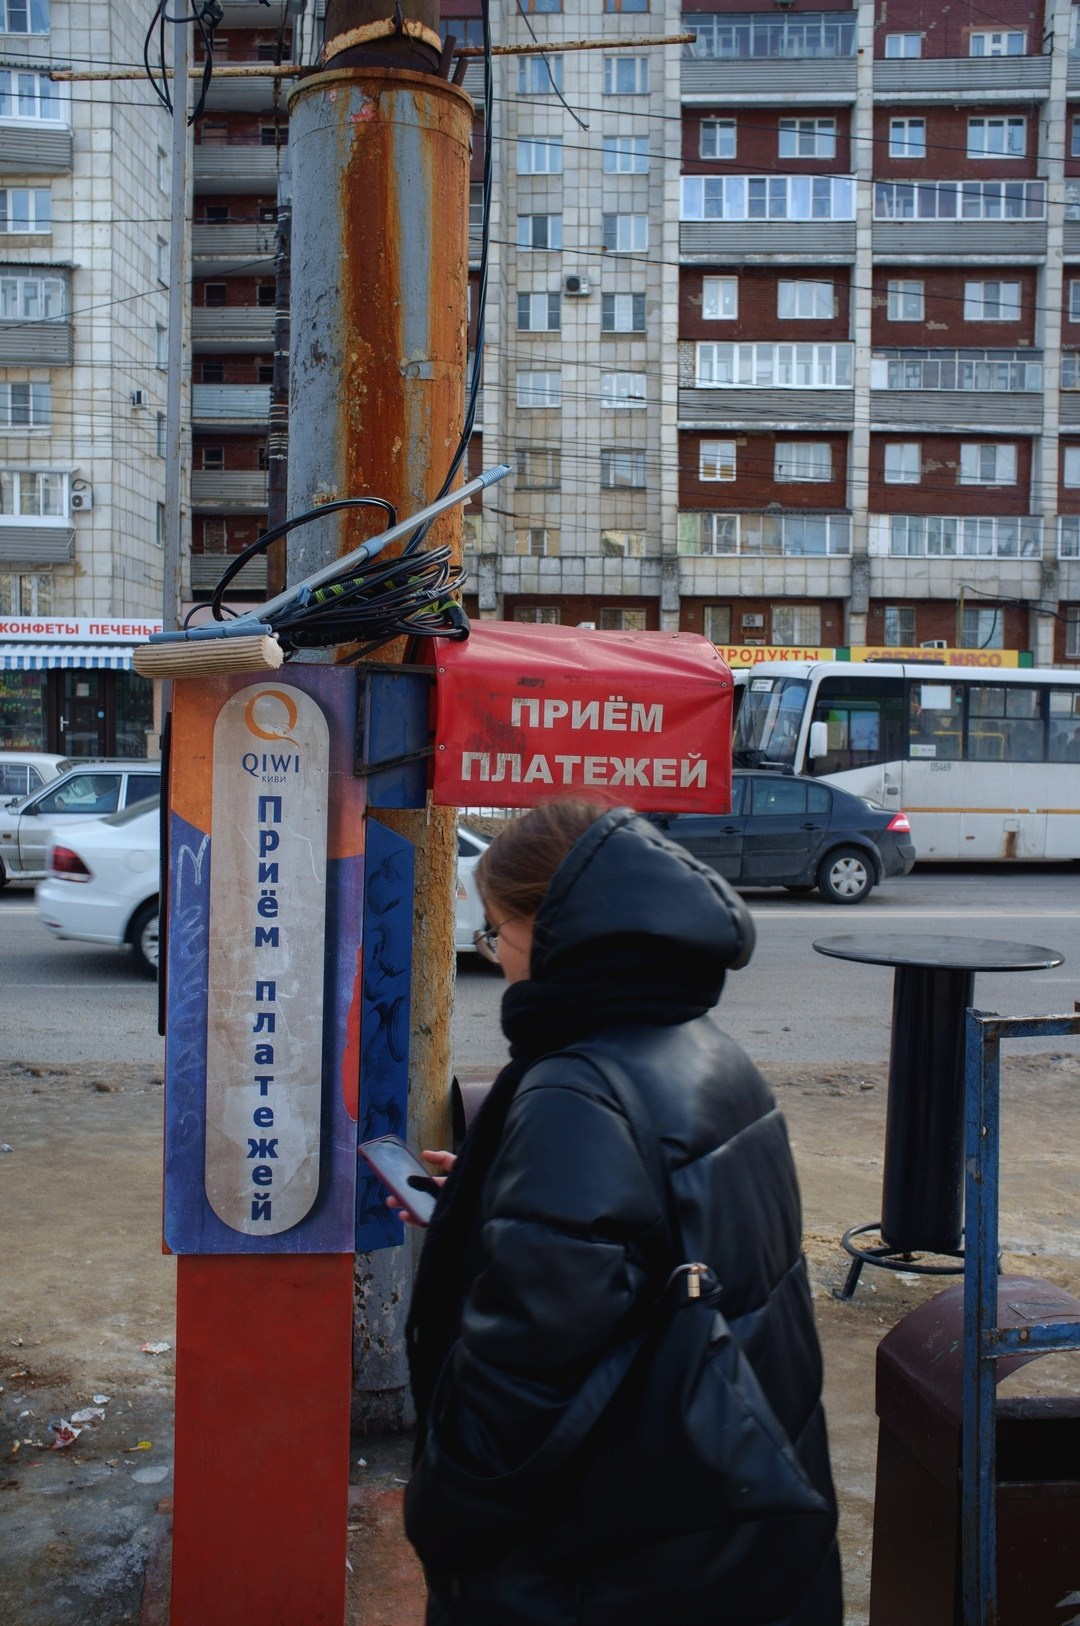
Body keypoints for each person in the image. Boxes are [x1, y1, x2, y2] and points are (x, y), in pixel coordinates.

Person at [403, 799, 842, 1626]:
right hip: (729, 1521)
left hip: (612, 1565)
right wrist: (511, 1193)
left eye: (497, 930)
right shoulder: (706, 1045)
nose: (494, 956)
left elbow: (520, 1384)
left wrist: (439, 1516)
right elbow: (655, 1220)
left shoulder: (578, 1089)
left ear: (558, 928)